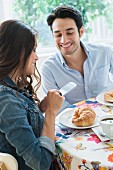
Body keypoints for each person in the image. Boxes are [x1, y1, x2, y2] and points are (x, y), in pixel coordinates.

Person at [0, 20, 64, 170]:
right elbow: (41, 163)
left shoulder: (10, 87)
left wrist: (40, 108)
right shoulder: (6, 100)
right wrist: (51, 113)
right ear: (18, 52)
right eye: (33, 50)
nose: (36, 57)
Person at [40, 5, 113, 111]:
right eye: (58, 35)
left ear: (81, 32)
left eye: (70, 33)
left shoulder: (105, 52)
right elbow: (58, 109)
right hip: (73, 122)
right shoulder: (48, 69)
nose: (64, 40)